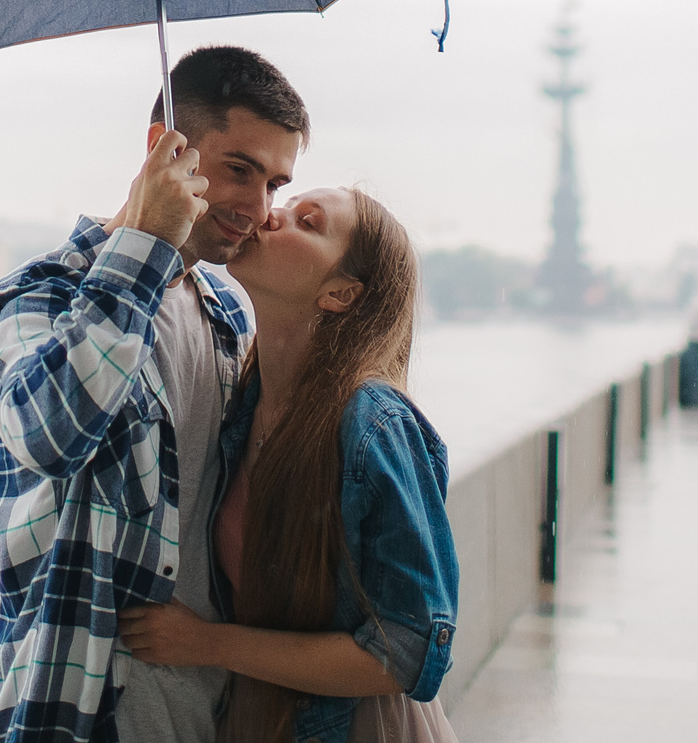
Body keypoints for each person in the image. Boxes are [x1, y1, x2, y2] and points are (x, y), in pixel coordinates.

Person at [0, 47, 308, 743]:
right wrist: (147, 243)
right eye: (240, 170)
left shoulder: (226, 312)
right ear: (166, 149)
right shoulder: (38, 296)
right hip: (75, 709)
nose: (258, 206)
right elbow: (49, 435)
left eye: (276, 182)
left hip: (204, 710)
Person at [120, 186, 458, 743]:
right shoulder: (242, 400)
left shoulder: (372, 424)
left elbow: (409, 654)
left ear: (340, 294)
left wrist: (206, 642)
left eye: (308, 221)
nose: (271, 215)